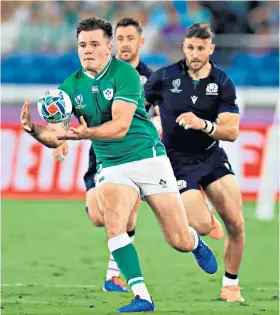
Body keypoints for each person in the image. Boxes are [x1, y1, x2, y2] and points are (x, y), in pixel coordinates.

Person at [20, 17, 218, 313]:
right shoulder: (70, 87)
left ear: (109, 48)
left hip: (148, 158)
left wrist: (86, 133)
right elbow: (58, 135)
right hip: (112, 165)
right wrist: (35, 131)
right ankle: (142, 296)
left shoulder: (124, 74)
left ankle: (195, 243)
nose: (87, 50)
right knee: (114, 225)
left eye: (94, 44)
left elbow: (121, 126)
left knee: (177, 239)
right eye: (82, 45)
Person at [53, 17, 156, 293]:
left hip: (137, 155)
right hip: (101, 154)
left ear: (139, 42)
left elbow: (161, 114)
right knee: (100, 217)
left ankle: (114, 276)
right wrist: (60, 134)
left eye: (129, 39)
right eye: (120, 38)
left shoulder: (152, 79)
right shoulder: (92, 76)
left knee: (126, 219)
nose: (124, 44)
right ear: (112, 45)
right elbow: (69, 106)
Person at [145, 22, 245, 303]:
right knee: (201, 226)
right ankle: (207, 218)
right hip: (177, 162)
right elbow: (134, 111)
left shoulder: (222, 82)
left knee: (236, 224)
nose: (194, 53)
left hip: (212, 156)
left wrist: (202, 124)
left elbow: (232, 131)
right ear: (184, 47)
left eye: (200, 48)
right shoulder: (164, 77)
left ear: (210, 49)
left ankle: (231, 285)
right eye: (190, 47)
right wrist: (150, 122)